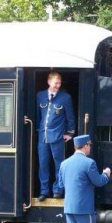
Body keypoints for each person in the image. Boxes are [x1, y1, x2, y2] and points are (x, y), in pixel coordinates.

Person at [59, 134, 111, 223]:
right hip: (84, 208)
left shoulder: (64, 164)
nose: (90, 148)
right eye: (89, 145)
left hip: (69, 207)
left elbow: (60, 184)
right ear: (86, 146)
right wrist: (106, 174)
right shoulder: (89, 163)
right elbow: (99, 181)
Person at [36, 72, 76, 201]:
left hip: (58, 136)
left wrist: (70, 133)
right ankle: (44, 191)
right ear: (49, 82)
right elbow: (38, 115)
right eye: (56, 83)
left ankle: (58, 190)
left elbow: (70, 117)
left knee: (59, 164)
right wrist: (38, 130)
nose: (58, 85)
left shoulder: (65, 97)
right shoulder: (40, 95)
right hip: (43, 136)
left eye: (59, 83)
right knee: (43, 164)